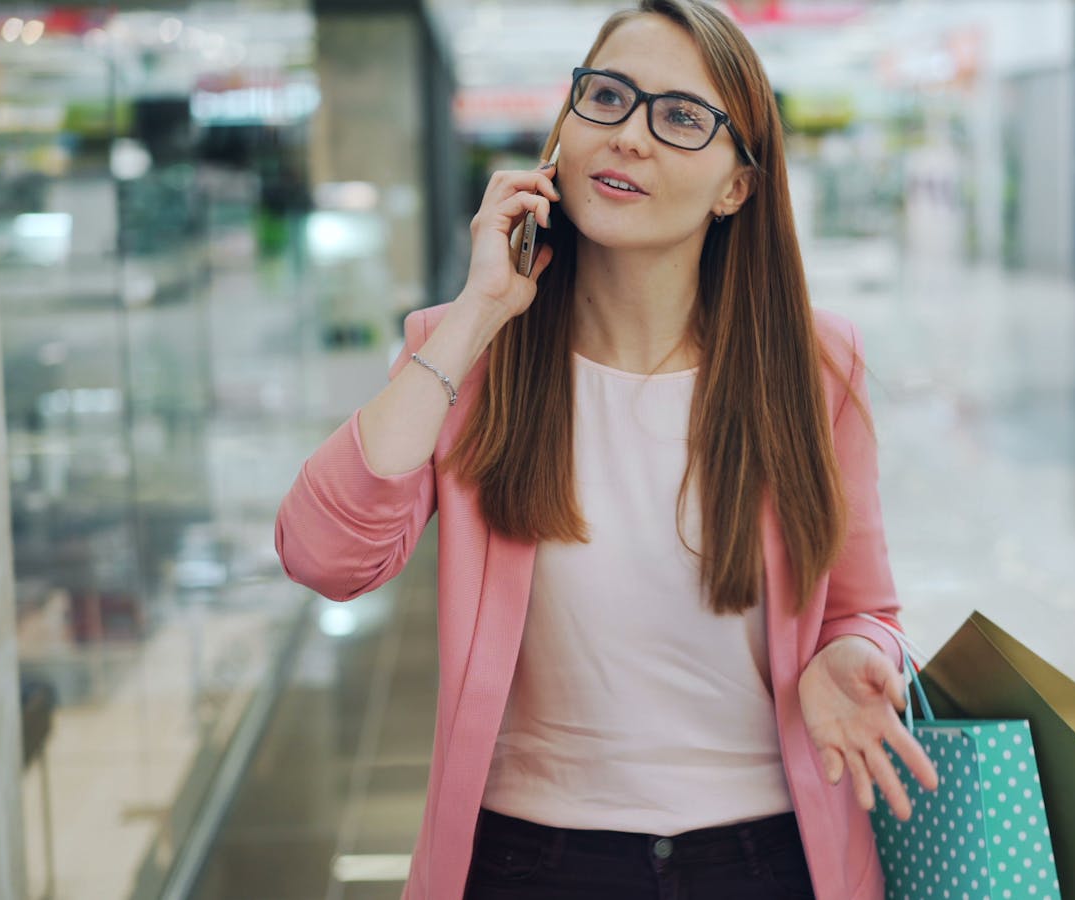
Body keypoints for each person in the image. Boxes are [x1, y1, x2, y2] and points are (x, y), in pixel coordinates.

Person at [275, 2, 937, 897]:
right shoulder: (472, 354)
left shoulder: (815, 366)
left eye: (679, 117)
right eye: (609, 98)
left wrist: (856, 653)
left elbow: (868, 609)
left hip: (768, 853)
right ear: (566, 126)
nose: (630, 136)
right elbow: (324, 557)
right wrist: (474, 314)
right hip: (530, 858)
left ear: (737, 185)